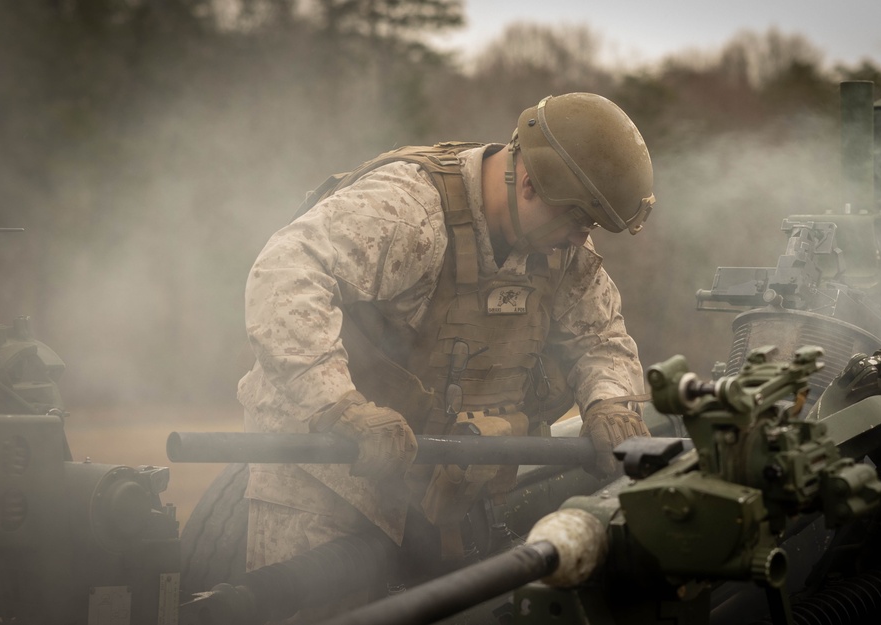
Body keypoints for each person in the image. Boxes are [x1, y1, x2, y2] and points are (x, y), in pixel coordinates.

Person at [238, 92, 656, 609]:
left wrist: (609, 403)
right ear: (529, 184)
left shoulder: (560, 247)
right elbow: (285, 271)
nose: (581, 240)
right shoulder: (410, 211)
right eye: (578, 221)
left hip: (440, 485)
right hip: (326, 473)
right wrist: (338, 405)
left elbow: (601, 337)